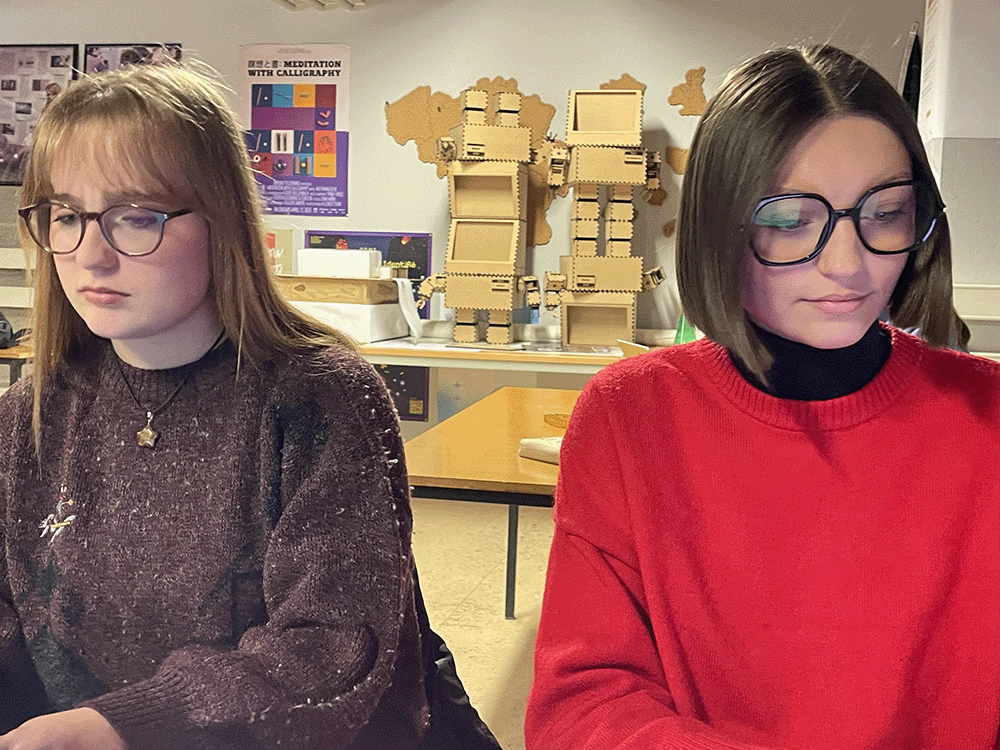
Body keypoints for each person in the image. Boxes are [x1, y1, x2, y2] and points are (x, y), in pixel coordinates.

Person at [0, 63, 500, 750]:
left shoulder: (319, 398)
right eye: (65, 216)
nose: (91, 255)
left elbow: (328, 650)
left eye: (135, 216)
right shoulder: (32, 412)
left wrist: (123, 725)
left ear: (223, 219)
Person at [526, 44, 998, 749]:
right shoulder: (630, 416)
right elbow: (583, 705)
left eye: (887, 212)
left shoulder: (984, 418)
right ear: (721, 226)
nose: (848, 264)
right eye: (786, 221)